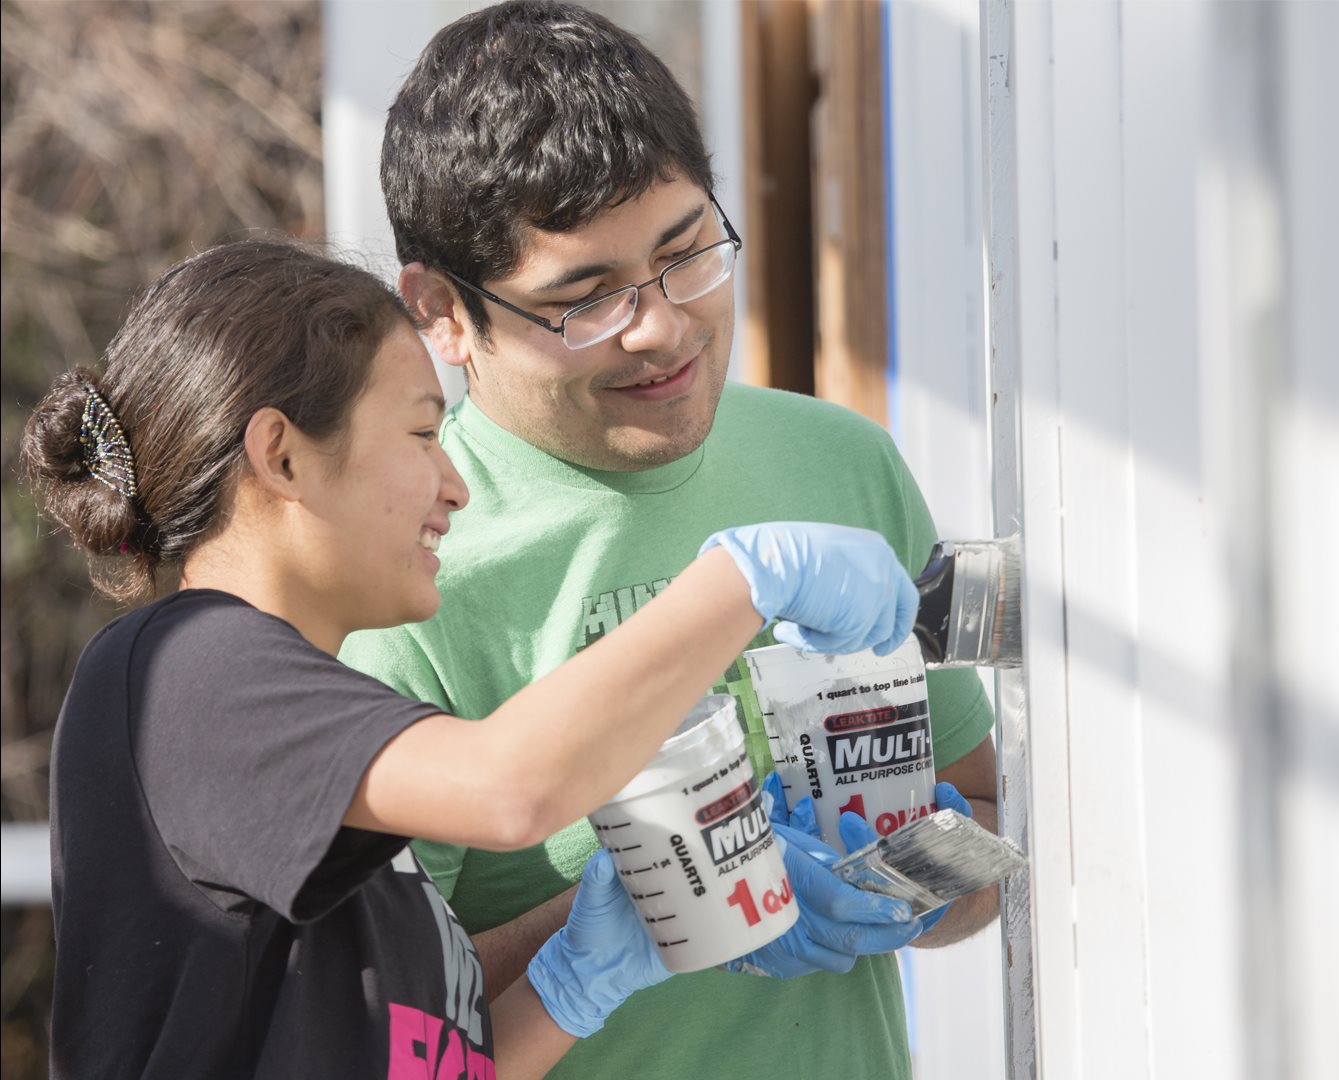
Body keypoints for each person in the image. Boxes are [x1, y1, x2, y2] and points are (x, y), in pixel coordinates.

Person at [22, 239, 927, 1079]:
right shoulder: (183, 666)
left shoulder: (318, 752)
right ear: (282, 456)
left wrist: (577, 978)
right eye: (422, 435)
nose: (453, 484)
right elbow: (510, 788)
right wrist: (743, 580)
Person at [339, 3, 1002, 1078]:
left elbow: (978, 815)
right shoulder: (409, 575)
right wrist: (651, 906)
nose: (660, 327)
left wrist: (905, 887)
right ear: (442, 312)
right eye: (584, 299)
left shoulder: (842, 464)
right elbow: (374, 1024)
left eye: (688, 252)